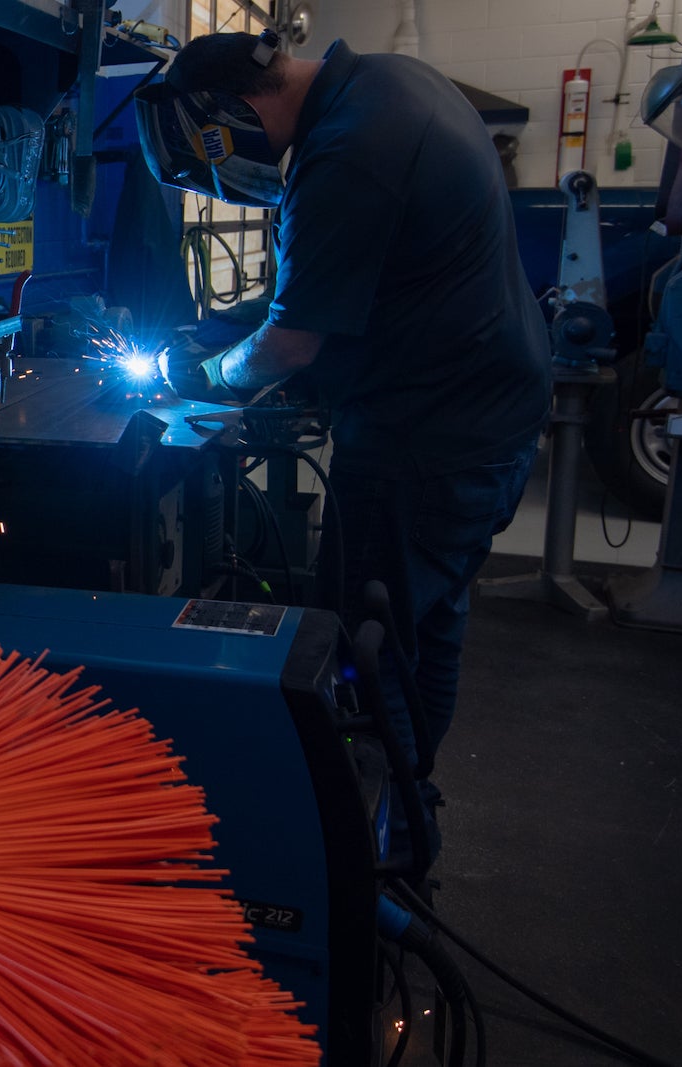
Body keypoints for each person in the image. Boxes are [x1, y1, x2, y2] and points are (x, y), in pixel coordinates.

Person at [135, 31, 552, 873]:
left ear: (229, 116)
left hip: (427, 444)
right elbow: (345, 274)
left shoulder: (346, 153)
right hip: (487, 422)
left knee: (366, 645)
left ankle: (375, 852)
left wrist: (207, 370)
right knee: (423, 626)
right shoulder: (391, 84)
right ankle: (406, 808)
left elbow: (288, 346)